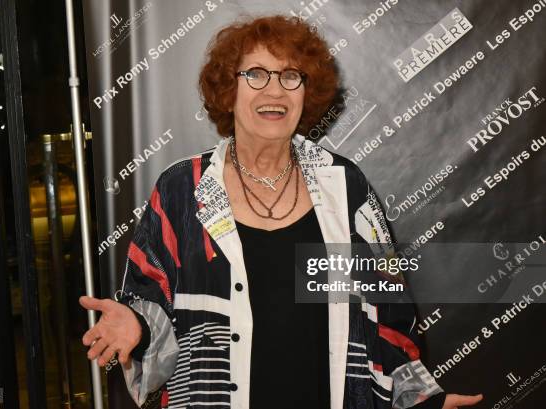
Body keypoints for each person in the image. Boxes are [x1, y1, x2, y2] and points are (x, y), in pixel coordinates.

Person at [80, 15, 483, 409]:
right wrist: (138, 324)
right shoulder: (181, 190)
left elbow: (389, 305)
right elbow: (151, 297)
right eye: (255, 74)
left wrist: (417, 398)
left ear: (307, 92)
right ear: (227, 90)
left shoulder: (344, 184)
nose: (274, 91)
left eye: (291, 76)